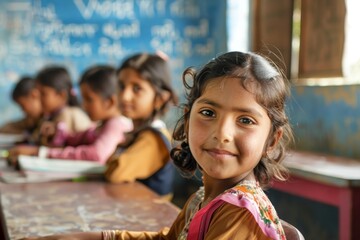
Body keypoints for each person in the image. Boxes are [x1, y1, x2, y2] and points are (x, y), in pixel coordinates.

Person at [19, 51, 293, 240]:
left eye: (245, 120)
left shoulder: (239, 212)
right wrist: (87, 236)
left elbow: (116, 171)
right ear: (187, 120)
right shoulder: (204, 197)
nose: (222, 133)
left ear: (272, 140)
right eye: (208, 113)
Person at [8, 66, 133, 164]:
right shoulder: (101, 126)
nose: (84, 105)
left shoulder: (117, 125)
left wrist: (41, 152)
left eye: (89, 99)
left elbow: (96, 155)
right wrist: (56, 133)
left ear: (110, 102)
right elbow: (76, 139)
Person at [105, 53, 178, 197]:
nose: (125, 96)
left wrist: (114, 161)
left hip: (153, 216)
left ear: (160, 98)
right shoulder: (139, 133)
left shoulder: (152, 139)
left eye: (137, 88)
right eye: (121, 86)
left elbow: (116, 173)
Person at [0, 76, 42, 143]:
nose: (23, 110)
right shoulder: (31, 119)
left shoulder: (50, 117)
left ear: (34, 95)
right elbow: (9, 127)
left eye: (22, 106)